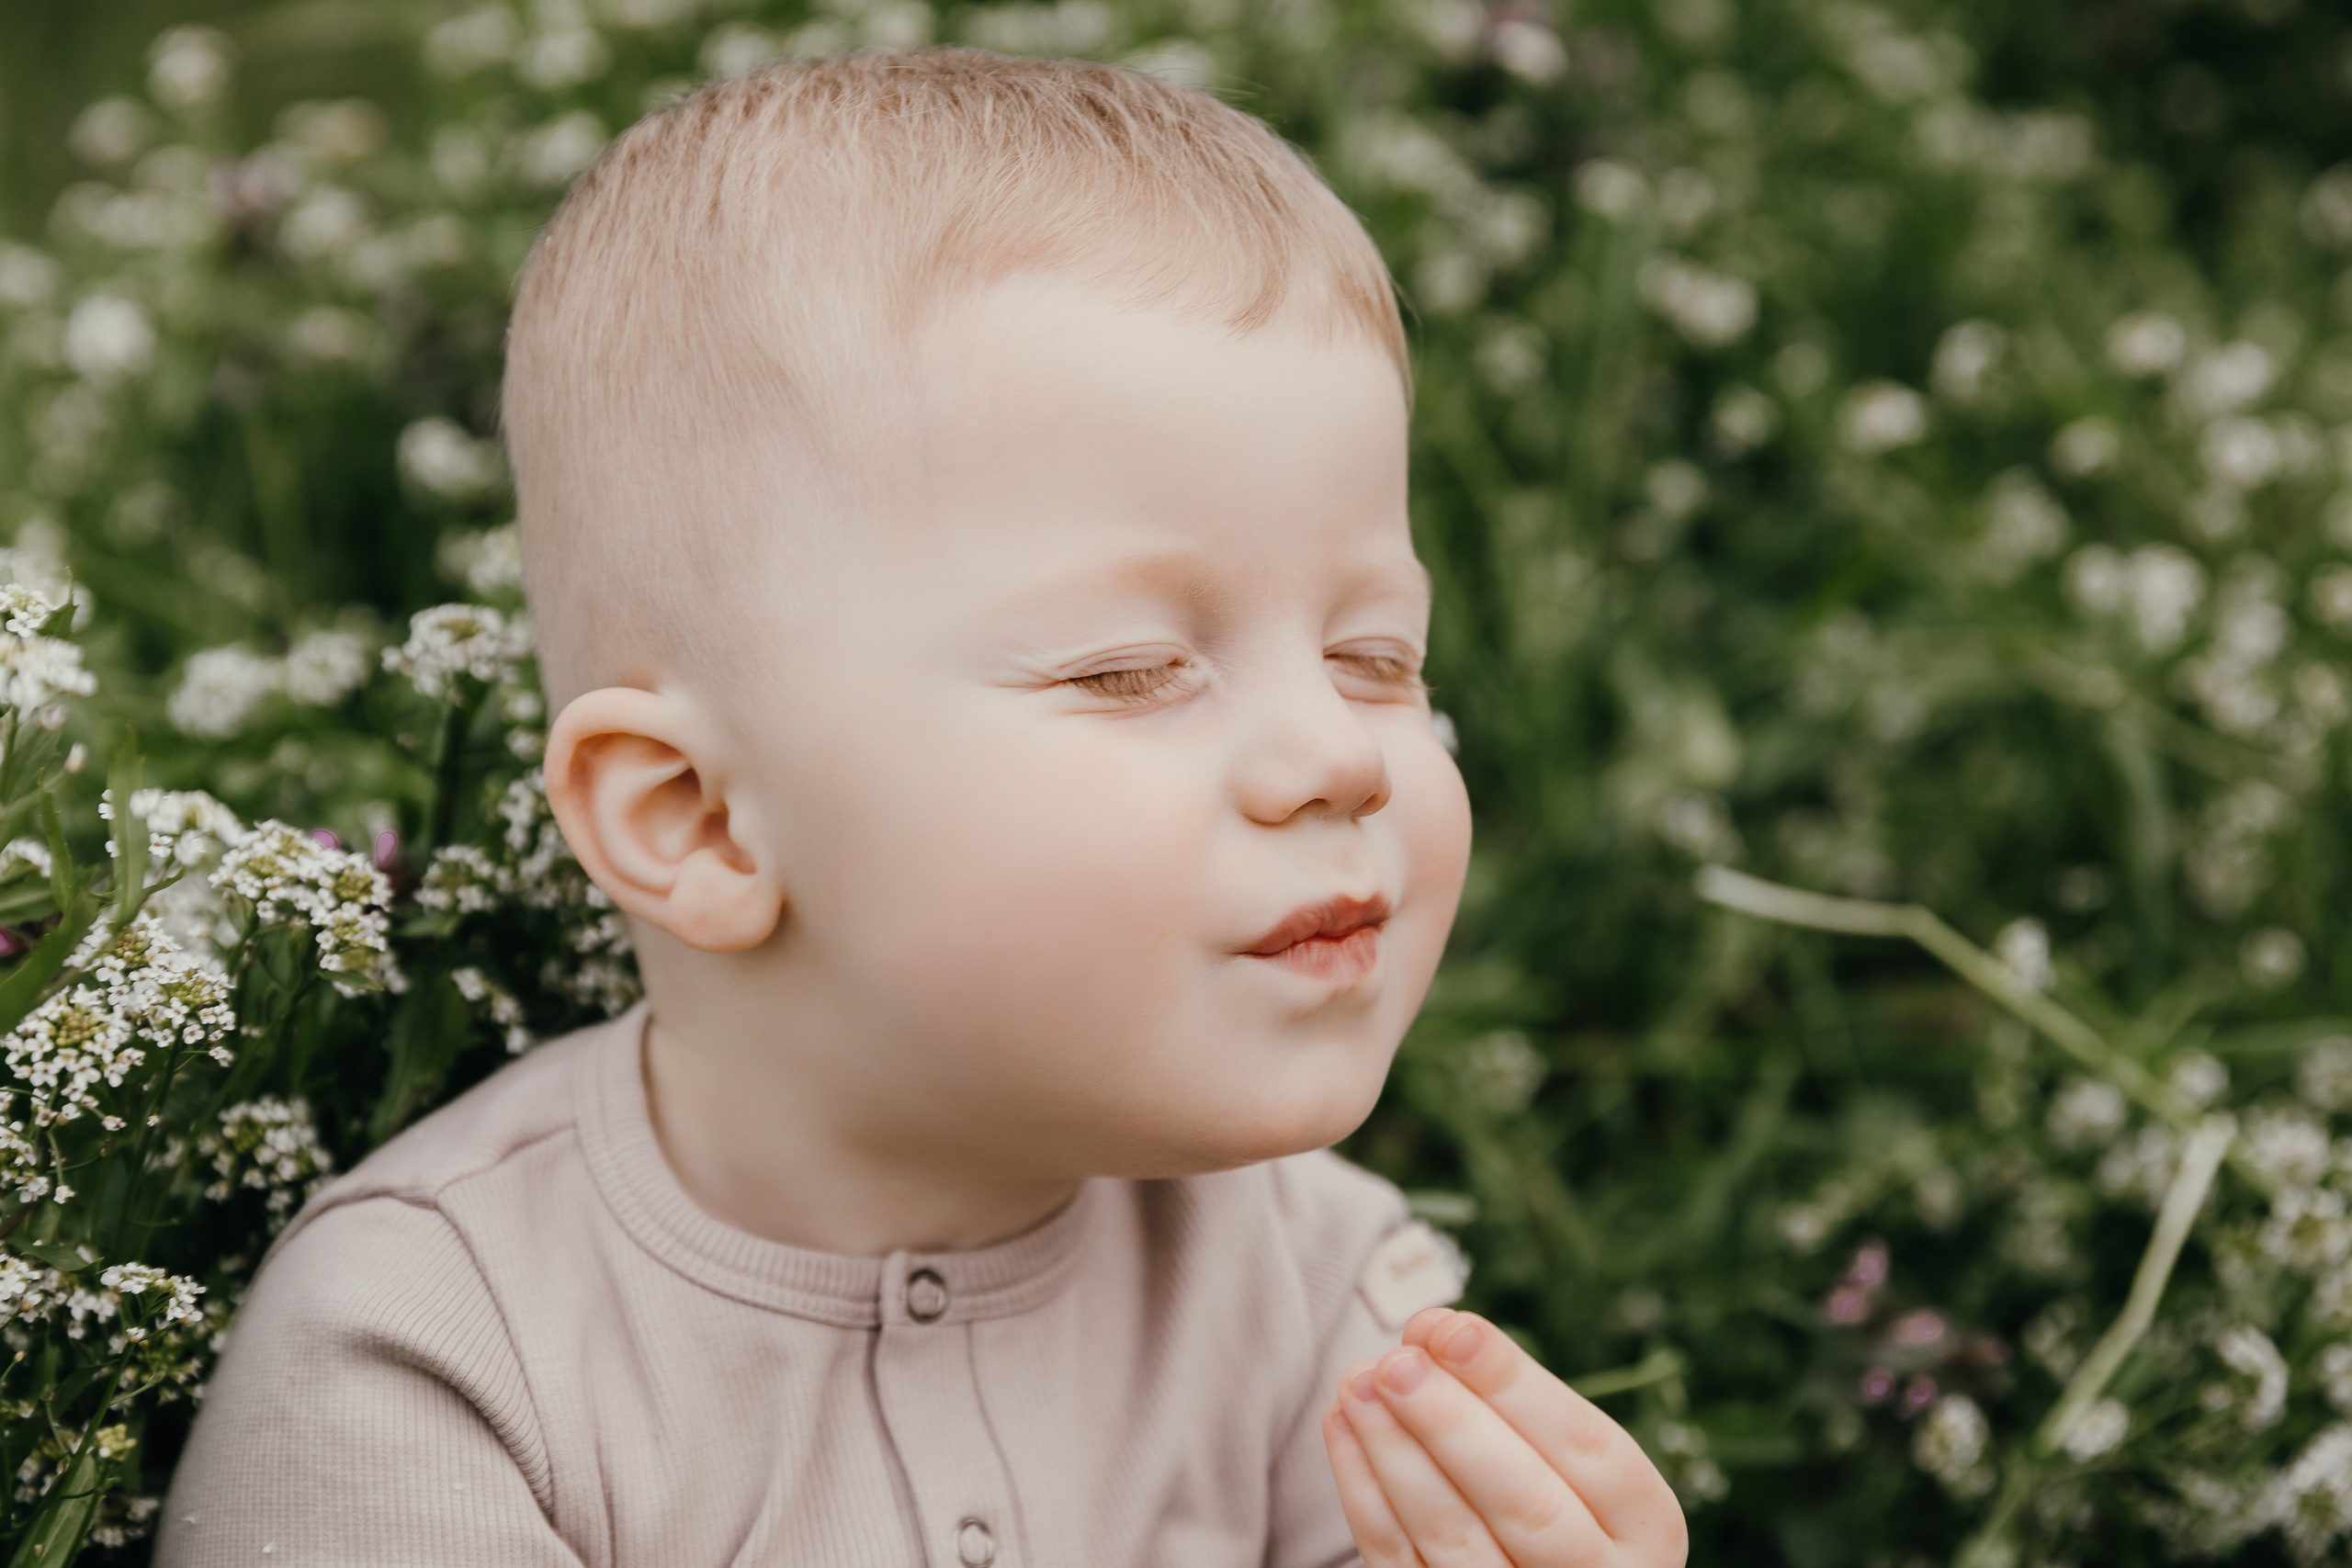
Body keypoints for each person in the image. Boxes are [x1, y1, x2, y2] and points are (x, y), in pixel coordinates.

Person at [160, 49, 1685, 1568]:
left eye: (1375, 657)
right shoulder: (436, 1356)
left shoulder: (1328, 1303)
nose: (1340, 759)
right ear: (697, 820)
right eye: (1131, 669)